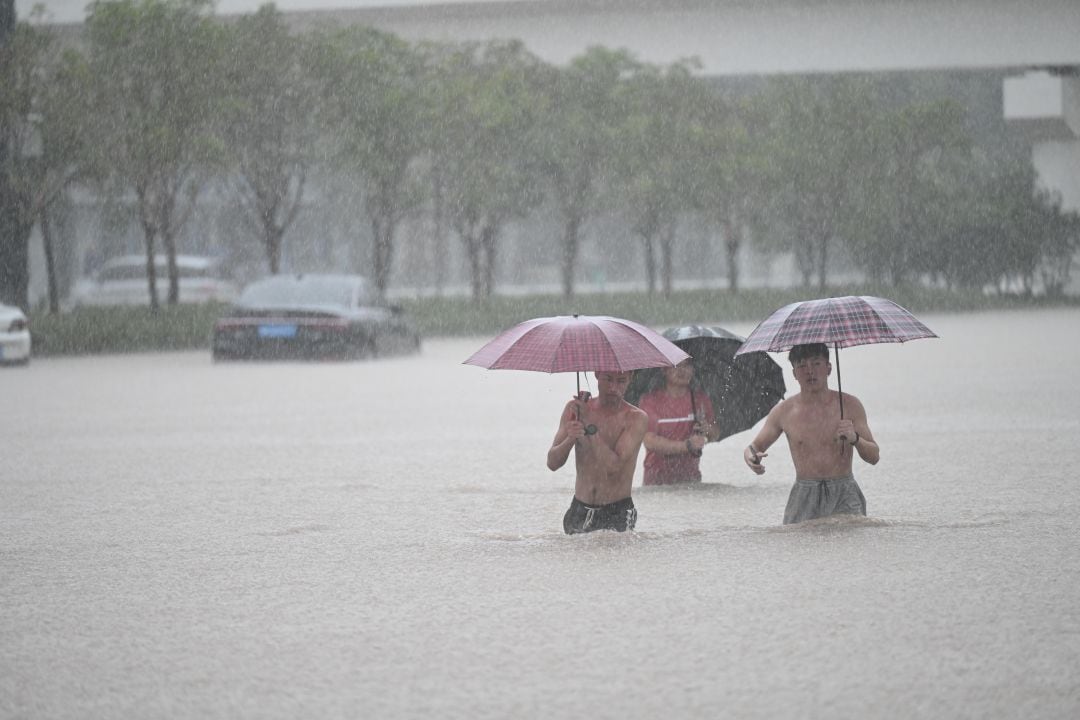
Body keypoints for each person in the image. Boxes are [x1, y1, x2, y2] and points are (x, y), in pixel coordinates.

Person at [743, 343, 880, 524]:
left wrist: (855, 439)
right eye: (801, 366)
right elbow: (753, 447)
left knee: (849, 547)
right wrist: (752, 459)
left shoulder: (850, 405)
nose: (809, 371)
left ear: (828, 368)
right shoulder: (784, 411)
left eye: (816, 364)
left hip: (844, 491)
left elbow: (874, 456)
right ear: (794, 373)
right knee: (799, 548)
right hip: (804, 493)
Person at [547, 370, 649, 534]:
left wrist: (589, 424)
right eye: (608, 379)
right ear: (597, 375)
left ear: (630, 379)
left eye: (621, 381)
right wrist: (571, 439)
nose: (614, 388)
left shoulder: (636, 418)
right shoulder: (575, 410)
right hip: (579, 510)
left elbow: (613, 468)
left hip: (616, 512)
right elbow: (552, 463)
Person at [637, 358, 721, 485]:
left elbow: (715, 434)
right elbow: (649, 441)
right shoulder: (650, 401)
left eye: (687, 365)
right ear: (664, 369)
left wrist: (707, 429)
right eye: (676, 365)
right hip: (656, 484)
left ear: (693, 370)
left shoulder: (700, 399)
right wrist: (686, 446)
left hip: (690, 481)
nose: (682, 370)